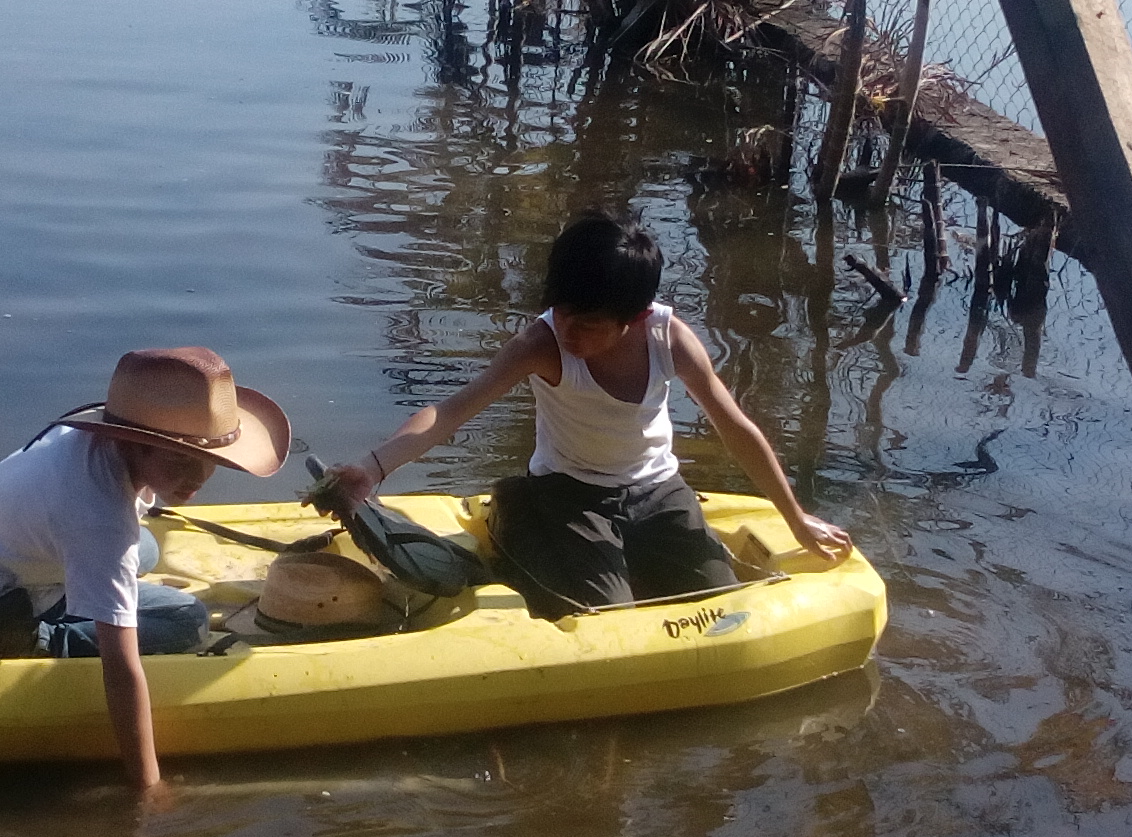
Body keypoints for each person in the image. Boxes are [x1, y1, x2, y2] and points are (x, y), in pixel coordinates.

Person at [319, 209, 851, 615]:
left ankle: (632, 549)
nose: (568, 332)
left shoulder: (669, 338)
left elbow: (734, 427)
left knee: (719, 606)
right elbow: (453, 411)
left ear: (636, 317)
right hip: (567, 497)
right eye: (563, 311)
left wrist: (795, 517)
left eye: (589, 324)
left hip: (659, 493)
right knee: (606, 616)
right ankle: (514, 517)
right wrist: (372, 466)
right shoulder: (540, 343)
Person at [0, 347, 291, 803]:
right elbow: (121, 669)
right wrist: (148, 786)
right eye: (179, 459)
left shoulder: (97, 446)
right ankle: (36, 636)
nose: (199, 476)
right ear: (133, 444)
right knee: (187, 619)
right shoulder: (99, 520)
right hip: (0, 598)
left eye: (208, 460)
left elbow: (111, 524)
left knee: (144, 548)